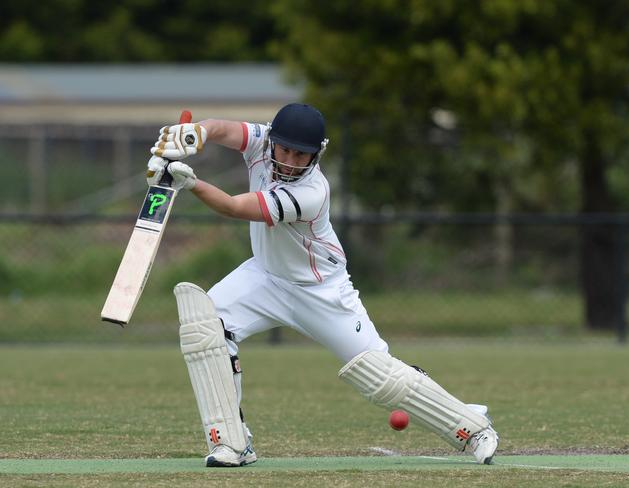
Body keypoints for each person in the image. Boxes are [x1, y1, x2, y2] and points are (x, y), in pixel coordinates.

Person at [147, 103, 499, 467]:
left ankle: (473, 427)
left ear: (317, 154)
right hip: (265, 276)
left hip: (321, 290)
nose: (290, 160)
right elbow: (222, 129)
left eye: (302, 154)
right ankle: (232, 444)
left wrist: (188, 181)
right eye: (284, 150)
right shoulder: (263, 142)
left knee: (380, 376)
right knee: (206, 327)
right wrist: (195, 135)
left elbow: (236, 207)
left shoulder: (312, 192)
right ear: (273, 142)